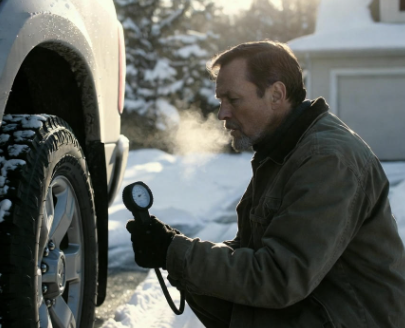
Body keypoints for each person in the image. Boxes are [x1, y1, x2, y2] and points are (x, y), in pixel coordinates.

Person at [126, 41, 405, 327]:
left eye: (233, 100)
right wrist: (170, 246)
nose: (222, 113)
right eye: (220, 101)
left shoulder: (327, 160)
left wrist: (175, 252)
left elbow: (280, 276)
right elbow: (251, 253)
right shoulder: (283, 153)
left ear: (276, 94)